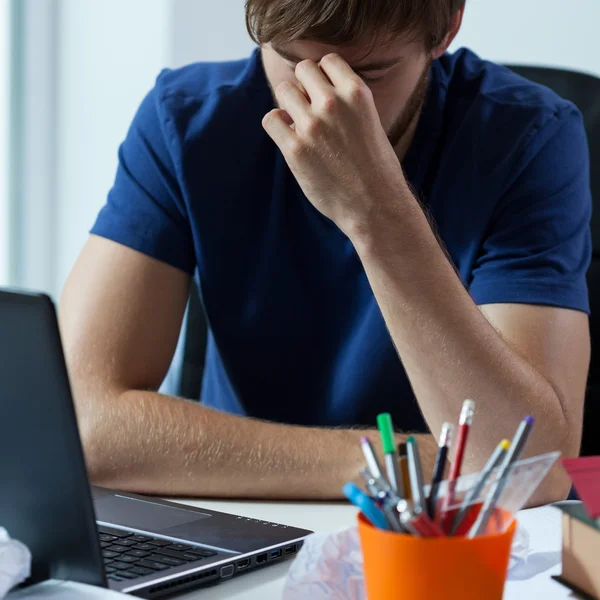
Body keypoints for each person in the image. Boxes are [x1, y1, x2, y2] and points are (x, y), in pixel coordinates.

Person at [59, 0, 591, 503]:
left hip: (441, 546)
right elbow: (81, 425)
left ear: (446, 29)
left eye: (370, 74)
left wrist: (377, 214)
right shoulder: (185, 120)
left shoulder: (527, 136)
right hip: (244, 521)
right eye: (290, 61)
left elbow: (530, 472)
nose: (321, 104)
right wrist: (394, 462)